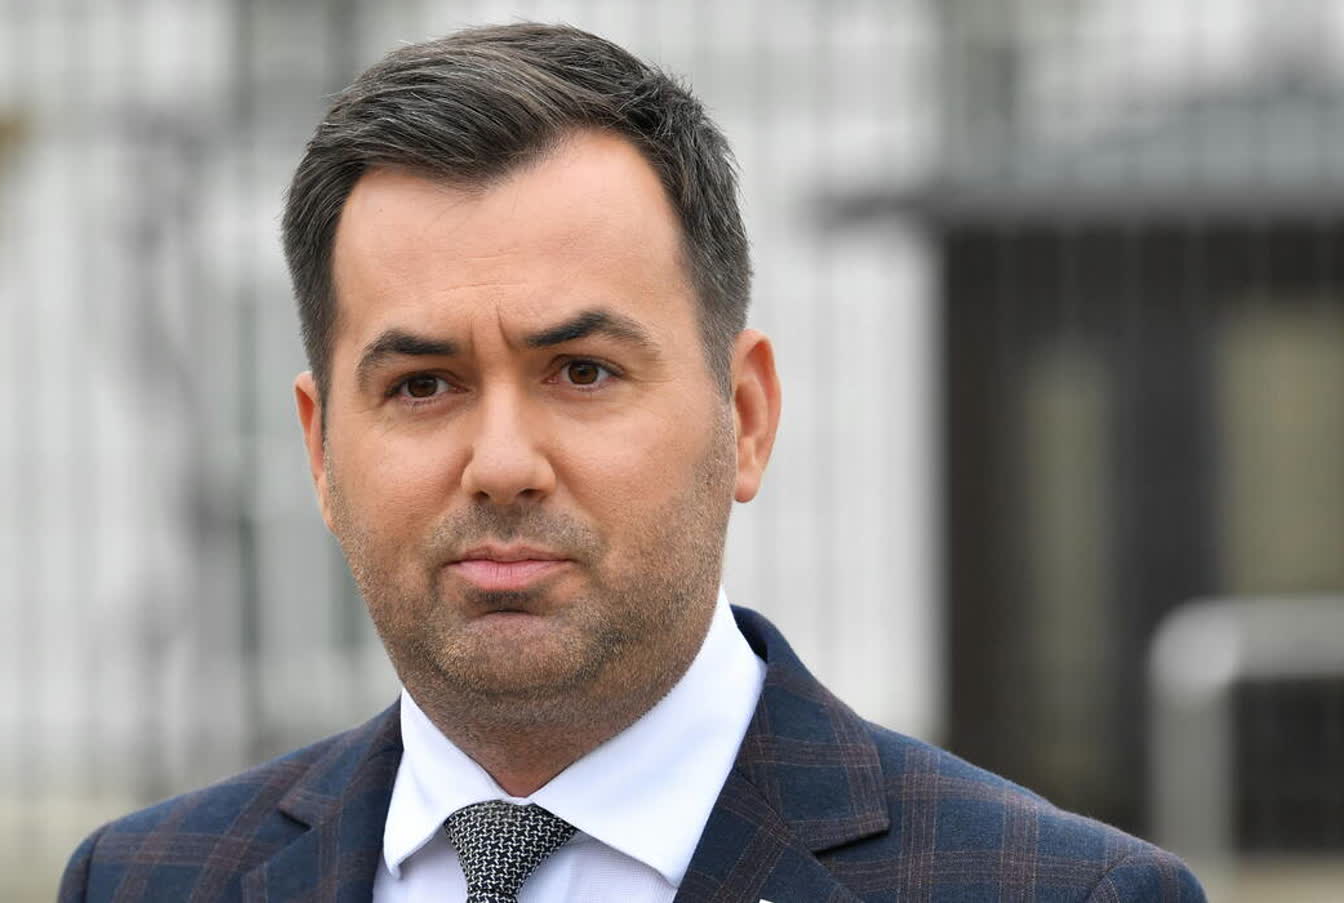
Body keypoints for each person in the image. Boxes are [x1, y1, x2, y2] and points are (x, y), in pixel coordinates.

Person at [60, 23, 1205, 902]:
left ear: (744, 417)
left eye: (582, 371)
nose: (502, 463)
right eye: (422, 385)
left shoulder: (1052, 893)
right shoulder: (145, 882)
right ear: (318, 448)